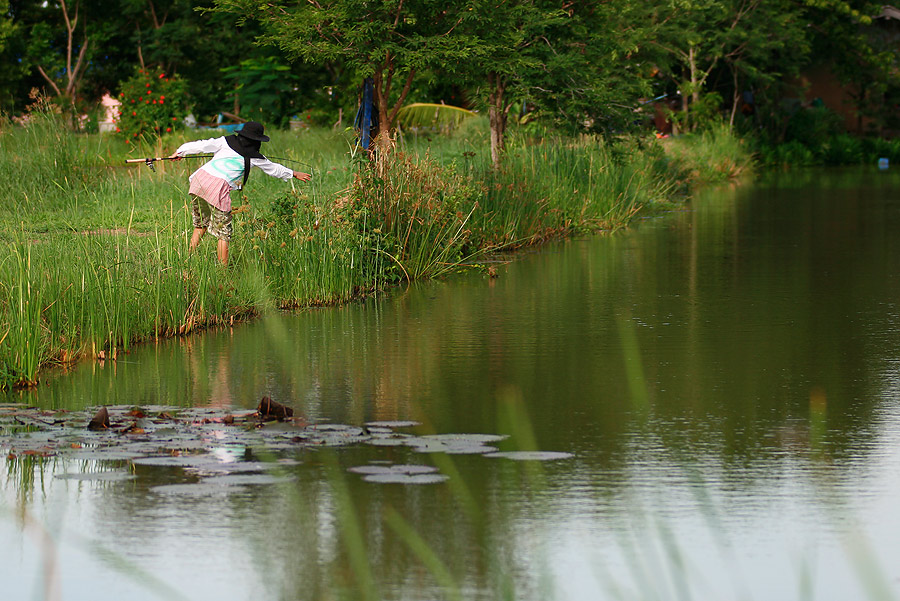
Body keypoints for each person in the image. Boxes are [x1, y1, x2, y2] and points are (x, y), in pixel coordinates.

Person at [169, 121, 311, 265]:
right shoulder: (255, 156)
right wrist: (293, 173)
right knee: (224, 233)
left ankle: (186, 260)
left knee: (201, 223)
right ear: (257, 140)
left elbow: (202, 144)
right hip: (217, 187)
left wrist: (180, 151)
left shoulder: (225, 141)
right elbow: (274, 168)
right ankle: (223, 272)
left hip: (199, 181)